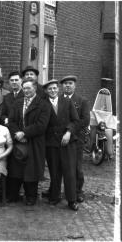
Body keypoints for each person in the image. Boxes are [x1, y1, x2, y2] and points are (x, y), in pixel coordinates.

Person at [7, 79, 51, 205]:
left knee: (31, 170)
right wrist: (17, 134)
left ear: (35, 88)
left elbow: (41, 125)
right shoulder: (17, 103)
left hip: (35, 143)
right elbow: (11, 121)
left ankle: (31, 197)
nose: (26, 91)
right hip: (18, 141)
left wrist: (25, 133)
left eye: (28, 88)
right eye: (24, 88)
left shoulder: (43, 105)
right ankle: (14, 195)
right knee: (16, 169)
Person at [43, 79, 80, 211]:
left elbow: (76, 120)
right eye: (50, 89)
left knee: (69, 172)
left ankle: (72, 200)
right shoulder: (43, 104)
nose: (52, 91)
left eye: (54, 88)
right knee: (54, 171)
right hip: (51, 143)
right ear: (46, 91)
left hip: (67, 142)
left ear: (58, 89)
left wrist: (69, 132)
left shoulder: (67, 102)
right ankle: (55, 196)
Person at [60, 75, 90, 203]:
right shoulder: (58, 99)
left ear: (75, 85)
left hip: (76, 139)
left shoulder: (82, 101)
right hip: (60, 139)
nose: (67, 85)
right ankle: (55, 190)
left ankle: (78, 191)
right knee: (58, 166)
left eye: (70, 83)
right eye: (65, 83)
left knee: (76, 166)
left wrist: (70, 131)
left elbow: (84, 120)